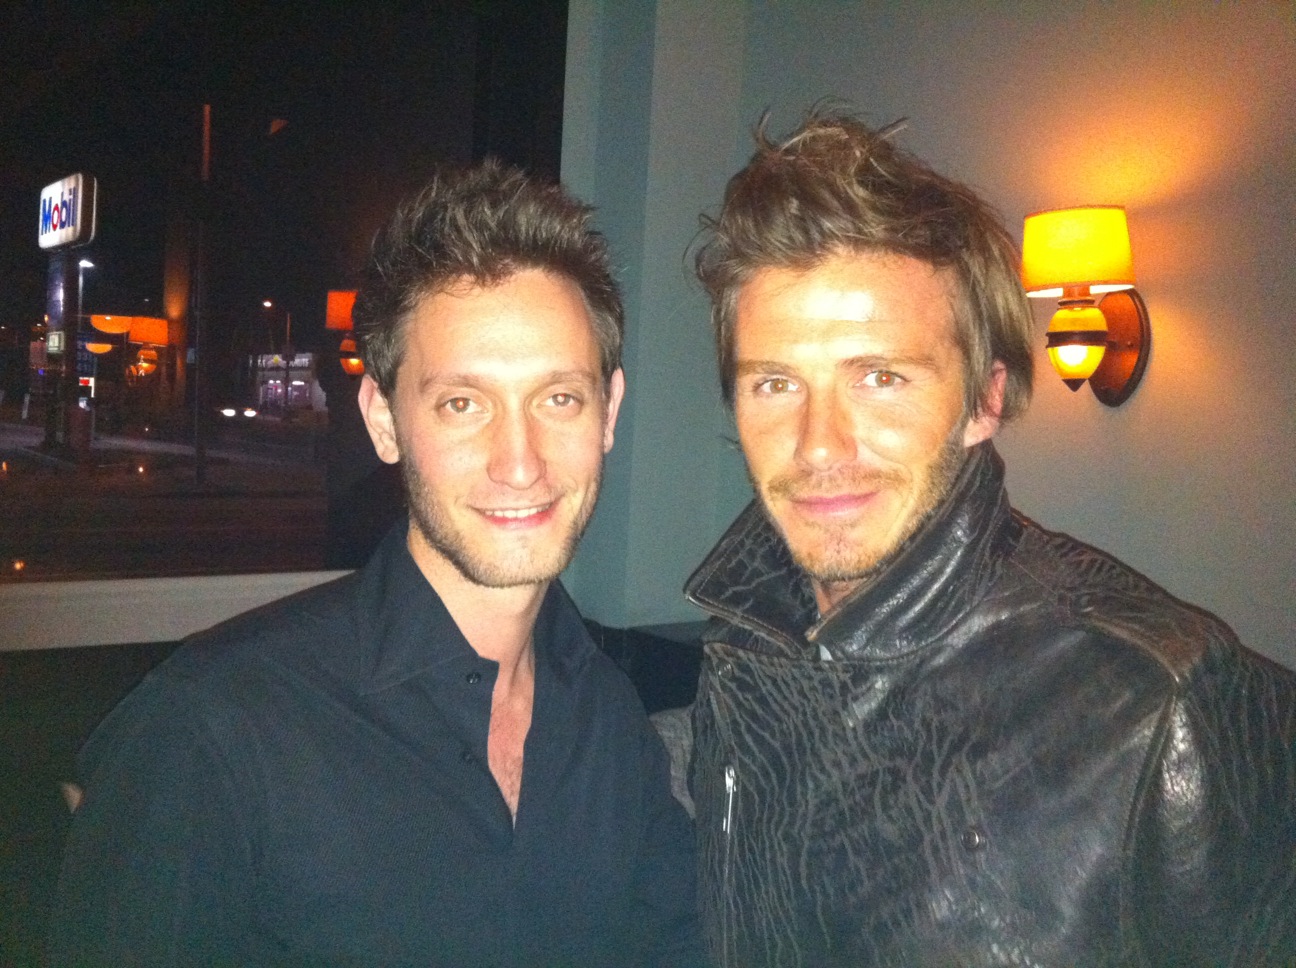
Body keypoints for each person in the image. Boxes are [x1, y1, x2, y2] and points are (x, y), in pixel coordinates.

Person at [677, 109, 1296, 965]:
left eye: (880, 377)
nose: (819, 446)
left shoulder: (1166, 703)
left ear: (985, 400)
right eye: (775, 384)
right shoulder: (743, 648)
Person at [49, 161, 705, 967]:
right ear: (385, 423)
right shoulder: (211, 732)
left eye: (558, 398)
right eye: (463, 403)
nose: (520, 462)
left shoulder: (610, 721)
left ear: (608, 413)